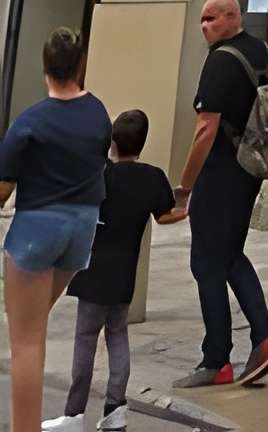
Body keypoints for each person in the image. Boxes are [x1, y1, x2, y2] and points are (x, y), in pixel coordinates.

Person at [170, 0, 268, 390]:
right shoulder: (262, 50)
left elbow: (206, 128)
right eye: (202, 20)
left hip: (222, 171)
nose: (204, 26)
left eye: (211, 19)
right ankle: (265, 338)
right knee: (228, 256)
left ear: (231, 17)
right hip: (249, 169)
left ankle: (216, 361)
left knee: (206, 262)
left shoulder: (221, 60)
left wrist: (186, 185)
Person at [0, 26, 114, 432]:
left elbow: (2, 189)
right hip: (81, 229)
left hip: (37, 230)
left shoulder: (30, 122)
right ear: (80, 64)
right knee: (33, 321)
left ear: (44, 66)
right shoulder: (98, 113)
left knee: (26, 341)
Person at [44, 107, 184, 432]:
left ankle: (74, 414)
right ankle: (115, 411)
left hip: (91, 272)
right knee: (118, 335)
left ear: (112, 143)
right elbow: (165, 216)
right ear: (142, 143)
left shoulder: (98, 173)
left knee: (85, 340)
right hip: (124, 275)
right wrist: (189, 209)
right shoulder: (152, 178)